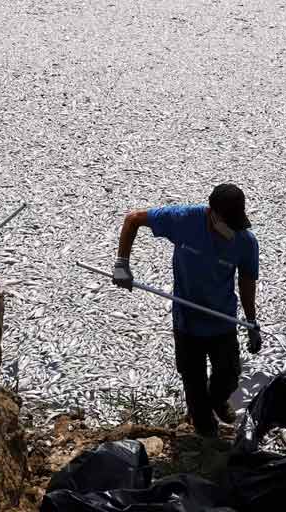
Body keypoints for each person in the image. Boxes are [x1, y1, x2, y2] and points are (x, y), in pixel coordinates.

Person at [112, 184, 262, 437]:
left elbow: (246, 282)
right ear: (212, 214)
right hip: (187, 322)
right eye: (229, 222)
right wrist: (121, 264)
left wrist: (251, 323)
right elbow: (133, 219)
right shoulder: (184, 220)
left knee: (229, 376)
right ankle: (205, 433)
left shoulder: (245, 242)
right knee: (193, 383)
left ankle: (218, 399)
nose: (233, 230)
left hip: (222, 320)